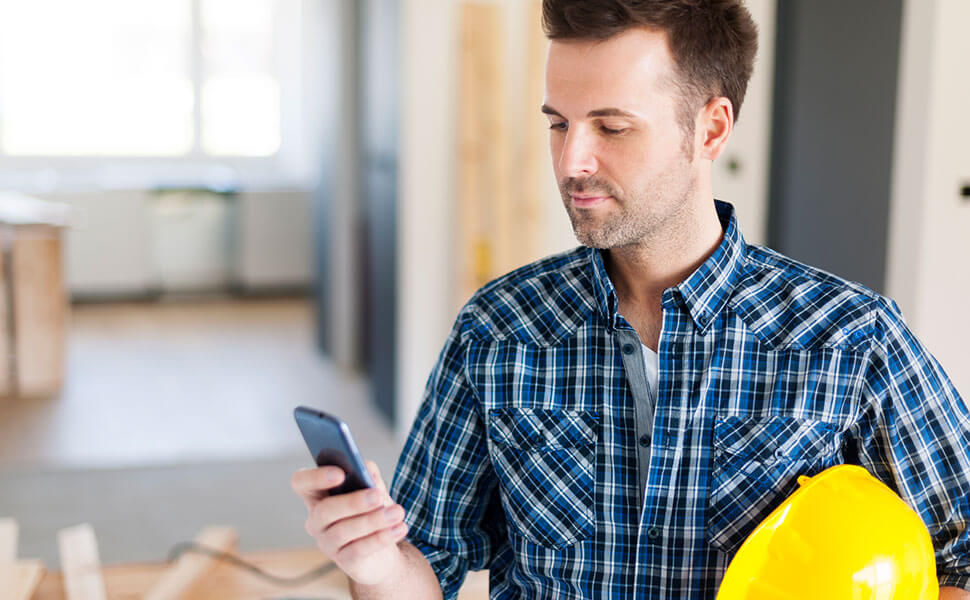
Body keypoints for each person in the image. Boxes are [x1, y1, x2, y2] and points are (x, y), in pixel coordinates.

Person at [291, 0, 970, 598]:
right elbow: (422, 573)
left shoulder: (852, 340)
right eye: (559, 124)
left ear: (709, 130)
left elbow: (961, 553)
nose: (571, 161)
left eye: (611, 127)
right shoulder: (497, 330)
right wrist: (376, 563)